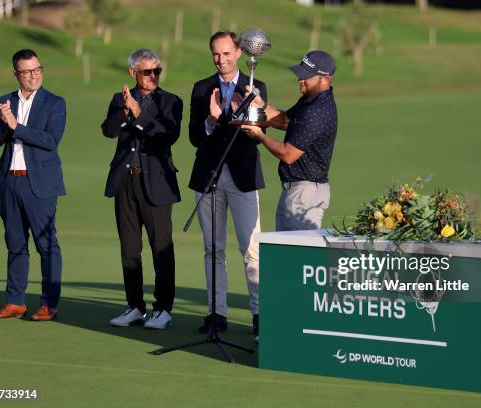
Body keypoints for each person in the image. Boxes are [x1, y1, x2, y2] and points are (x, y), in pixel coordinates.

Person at [188, 31, 267, 335]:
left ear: (238, 52)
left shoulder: (255, 86)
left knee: (252, 249)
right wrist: (210, 120)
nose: (221, 60)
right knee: (213, 249)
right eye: (216, 54)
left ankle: (259, 315)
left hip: (243, 177)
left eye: (226, 53)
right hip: (208, 176)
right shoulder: (201, 89)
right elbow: (195, 136)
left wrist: (227, 118)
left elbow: (255, 133)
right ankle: (216, 314)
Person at [102, 48, 183, 330]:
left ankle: (163, 308)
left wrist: (138, 115)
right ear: (133, 73)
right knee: (129, 248)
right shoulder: (119, 99)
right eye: (147, 71)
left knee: (161, 247)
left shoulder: (171, 101)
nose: (153, 76)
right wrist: (126, 110)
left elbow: (167, 135)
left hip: (157, 182)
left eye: (157, 71)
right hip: (125, 182)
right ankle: (134, 306)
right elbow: (109, 130)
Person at [0, 49, 66, 321]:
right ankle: (15, 301)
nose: (34, 75)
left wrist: (16, 126)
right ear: (16, 74)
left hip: (40, 184)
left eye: (37, 69)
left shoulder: (55, 103)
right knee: (15, 244)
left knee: (47, 246)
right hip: (10, 181)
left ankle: (49, 305)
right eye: (27, 71)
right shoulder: (5, 100)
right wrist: (3, 122)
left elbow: (50, 141)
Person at [241, 50, 338, 231]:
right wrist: (260, 104)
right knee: (287, 254)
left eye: (306, 76)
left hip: (305, 194)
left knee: (298, 256)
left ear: (325, 79)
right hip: (297, 191)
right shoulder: (310, 100)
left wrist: (259, 135)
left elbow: (288, 154)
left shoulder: (317, 111)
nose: (300, 79)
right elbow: (285, 121)